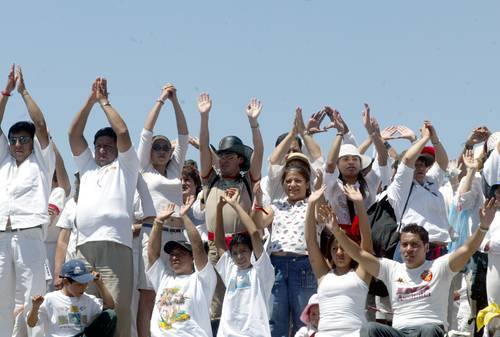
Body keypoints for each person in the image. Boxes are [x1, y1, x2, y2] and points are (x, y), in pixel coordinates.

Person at [328, 196, 498, 336]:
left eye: (415, 245)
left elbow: (468, 249)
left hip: (430, 330)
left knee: (428, 329)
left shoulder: (440, 266)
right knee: (368, 329)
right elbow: (358, 254)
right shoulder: (391, 269)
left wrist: (483, 227)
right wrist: (336, 230)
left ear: (426, 247)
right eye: (404, 245)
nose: (409, 249)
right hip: (399, 332)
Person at [68, 77, 139, 337]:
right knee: (82, 314)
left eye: (107, 147)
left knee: (117, 312)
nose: (102, 150)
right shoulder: (86, 167)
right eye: (98, 146)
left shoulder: (126, 167)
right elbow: (74, 134)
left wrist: (105, 103)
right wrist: (89, 101)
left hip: (115, 246)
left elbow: (122, 133)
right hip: (84, 248)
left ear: (117, 151)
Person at [0, 65, 56, 337]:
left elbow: (42, 125)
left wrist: (23, 92)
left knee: (34, 299)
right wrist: (5, 93)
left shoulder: (42, 161)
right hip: (1, 235)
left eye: (24, 139)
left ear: (32, 142)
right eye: (13, 140)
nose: (18, 143)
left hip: (30, 235)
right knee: (1, 302)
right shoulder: (4, 160)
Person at [197, 92, 264, 321]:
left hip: (242, 247)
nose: (223, 159)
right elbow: (204, 146)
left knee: (243, 301)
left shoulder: (248, 179)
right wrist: (204, 117)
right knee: (216, 304)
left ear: (240, 159)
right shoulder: (210, 179)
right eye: (221, 155)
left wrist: (253, 124)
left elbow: (259, 151)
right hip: (216, 249)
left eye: (229, 155)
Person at [135, 83, 189, 337]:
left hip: (177, 235)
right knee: (148, 293)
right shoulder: (142, 168)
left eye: (165, 148)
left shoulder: (175, 170)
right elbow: (146, 132)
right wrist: (161, 101)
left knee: (174, 290)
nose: (161, 151)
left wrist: (176, 102)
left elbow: (183, 136)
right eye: (157, 148)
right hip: (152, 232)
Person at [254, 152, 323, 337]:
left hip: (304, 266)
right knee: (275, 320)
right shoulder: (276, 206)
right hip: (276, 266)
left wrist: (318, 194)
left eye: (298, 181)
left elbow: (322, 217)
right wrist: (258, 200)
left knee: (305, 320)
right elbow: (258, 223)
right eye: (289, 181)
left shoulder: (312, 204)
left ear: (307, 184)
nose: (292, 185)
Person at [305, 184, 373, 336]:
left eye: (344, 248)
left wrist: (359, 205)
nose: (340, 252)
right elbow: (310, 242)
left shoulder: (361, 273)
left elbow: (366, 241)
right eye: (335, 249)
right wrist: (311, 205)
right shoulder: (324, 275)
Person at [147, 201, 217, 336]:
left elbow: (197, 246)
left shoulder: (202, 280)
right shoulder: (163, 278)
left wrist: (184, 217)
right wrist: (158, 222)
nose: (174, 257)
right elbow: (152, 255)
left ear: (192, 258)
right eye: (172, 254)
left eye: (180, 253)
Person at [214, 187, 275, 337]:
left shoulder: (261, 270)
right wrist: (219, 208)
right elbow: (220, 243)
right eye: (234, 253)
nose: (239, 257)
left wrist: (235, 205)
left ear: (252, 251)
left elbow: (254, 233)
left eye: (243, 251)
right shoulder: (230, 268)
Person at [387, 121, 450, 262]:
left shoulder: (430, 182)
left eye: (423, 164)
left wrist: (434, 139)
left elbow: (443, 163)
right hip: (413, 250)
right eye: (416, 165)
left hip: (439, 251)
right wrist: (424, 138)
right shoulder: (400, 187)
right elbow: (408, 159)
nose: (420, 167)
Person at [324, 104, 389, 237]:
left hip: (367, 234)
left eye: (355, 159)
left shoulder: (369, 181)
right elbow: (330, 164)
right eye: (345, 159)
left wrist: (372, 132)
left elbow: (383, 158)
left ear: (360, 164)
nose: (351, 162)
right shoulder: (332, 184)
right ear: (338, 164)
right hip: (339, 237)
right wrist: (340, 132)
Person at [27, 259, 116, 337]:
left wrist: (100, 284)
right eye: (80, 284)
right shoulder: (50, 298)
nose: (84, 287)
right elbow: (31, 323)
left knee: (110, 315)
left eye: (86, 283)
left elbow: (110, 305)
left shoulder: (88, 299)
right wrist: (35, 307)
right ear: (66, 282)